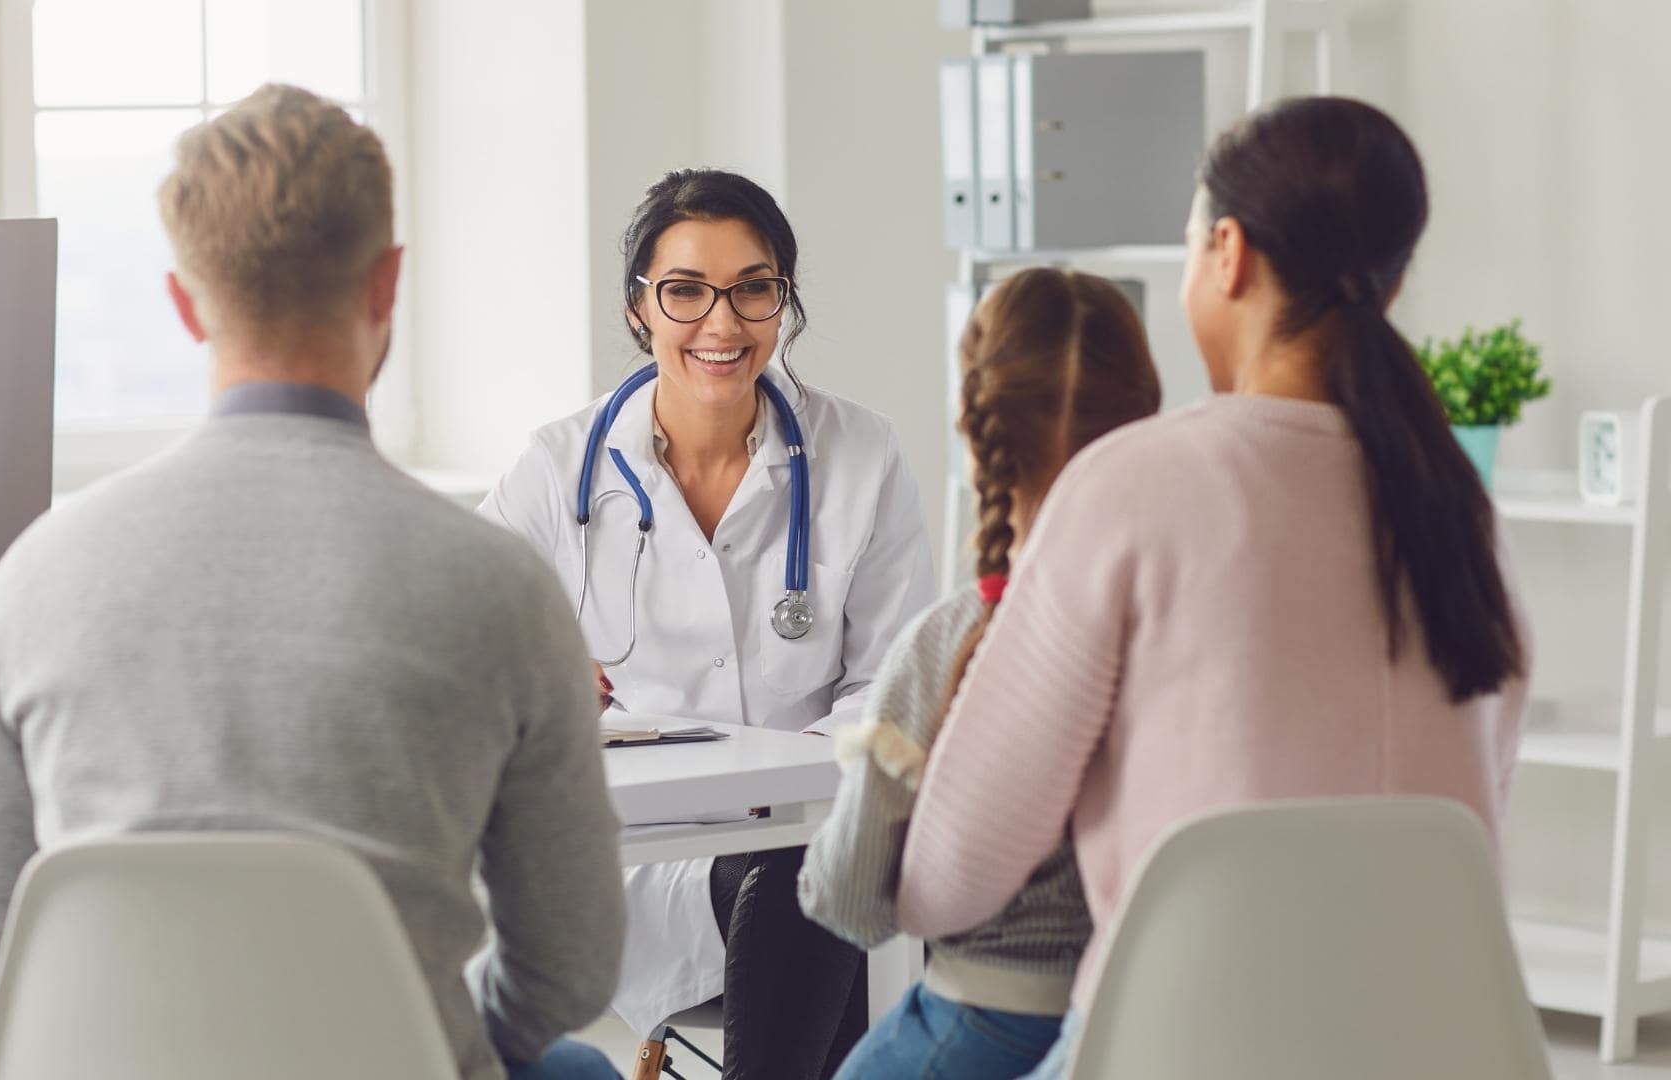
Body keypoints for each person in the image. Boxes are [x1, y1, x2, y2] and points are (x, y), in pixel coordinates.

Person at [0, 84, 626, 1080]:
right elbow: (573, 967)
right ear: (387, 285)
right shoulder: (500, 587)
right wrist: (439, 1052)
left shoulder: (40, 570)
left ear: (184, 302)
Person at [895, 95, 1531, 1080]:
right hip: (1445, 1051)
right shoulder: (1463, 513)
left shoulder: (1130, 486)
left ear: (1227, 254)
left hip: (1181, 1054)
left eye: (1192, 244)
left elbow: (950, 878)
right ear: (1390, 286)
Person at [479, 168, 934, 1078]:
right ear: (639, 309)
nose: (722, 324)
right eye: (685, 291)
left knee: (815, 867)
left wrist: (789, 776)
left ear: (783, 303)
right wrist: (544, 677)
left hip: (815, 834)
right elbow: (464, 654)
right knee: (825, 892)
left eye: (753, 289)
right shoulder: (557, 468)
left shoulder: (861, 456)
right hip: (636, 861)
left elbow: (896, 683)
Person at [799, 267, 1161, 1078]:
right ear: (1148, 421)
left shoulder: (949, 643)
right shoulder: (1180, 631)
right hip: (1144, 1027)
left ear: (971, 425)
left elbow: (851, 904)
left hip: (974, 1032)